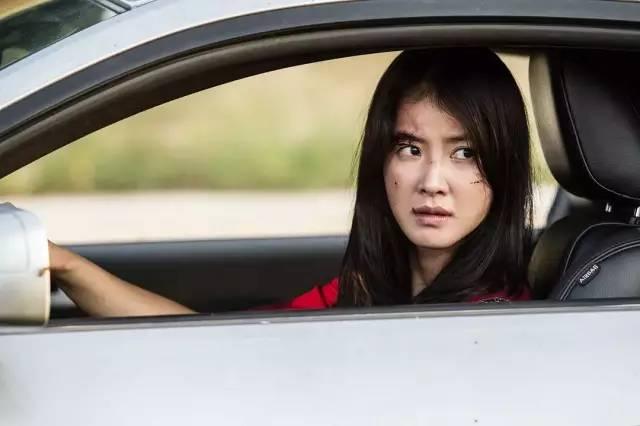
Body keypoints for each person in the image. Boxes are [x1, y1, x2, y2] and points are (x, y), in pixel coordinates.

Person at [48, 47, 533, 317]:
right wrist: (70, 267)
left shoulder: (489, 321)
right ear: (380, 160)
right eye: (410, 148)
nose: (432, 181)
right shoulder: (370, 292)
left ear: (504, 167)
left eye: (465, 153)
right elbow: (211, 345)